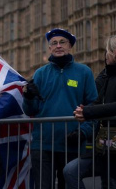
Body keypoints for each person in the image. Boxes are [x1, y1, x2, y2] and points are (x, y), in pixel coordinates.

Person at [22, 28, 98, 189]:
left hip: (72, 143)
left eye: (62, 42)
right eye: (54, 43)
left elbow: (94, 108)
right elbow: (31, 110)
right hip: (43, 145)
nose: (58, 46)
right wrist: (28, 98)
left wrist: (82, 132)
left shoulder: (84, 72)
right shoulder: (40, 74)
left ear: (70, 45)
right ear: (49, 48)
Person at [63, 35, 116, 189]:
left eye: (107, 52)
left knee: (110, 182)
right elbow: (94, 98)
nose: (105, 55)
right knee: (71, 171)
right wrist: (81, 110)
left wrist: (88, 112)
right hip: (104, 144)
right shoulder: (107, 74)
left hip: (112, 144)